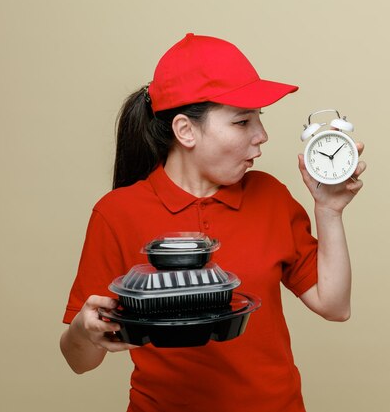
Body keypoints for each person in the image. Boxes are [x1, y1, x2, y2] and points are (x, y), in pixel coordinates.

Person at [60, 33, 366, 412]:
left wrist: (329, 211)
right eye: (242, 122)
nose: (262, 136)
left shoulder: (270, 196)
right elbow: (80, 361)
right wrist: (83, 330)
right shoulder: (116, 213)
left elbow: (335, 306)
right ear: (185, 130)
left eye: (259, 119)